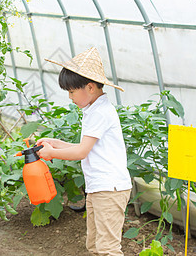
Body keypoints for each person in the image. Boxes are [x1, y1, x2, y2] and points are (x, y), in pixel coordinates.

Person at [37, 47, 132, 256]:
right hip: (100, 188)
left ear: (89, 87)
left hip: (110, 189)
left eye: (71, 92)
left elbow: (81, 152)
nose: (70, 97)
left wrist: (52, 153)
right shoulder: (94, 110)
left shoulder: (100, 112)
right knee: (95, 246)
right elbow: (85, 149)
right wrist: (55, 143)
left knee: (107, 249)